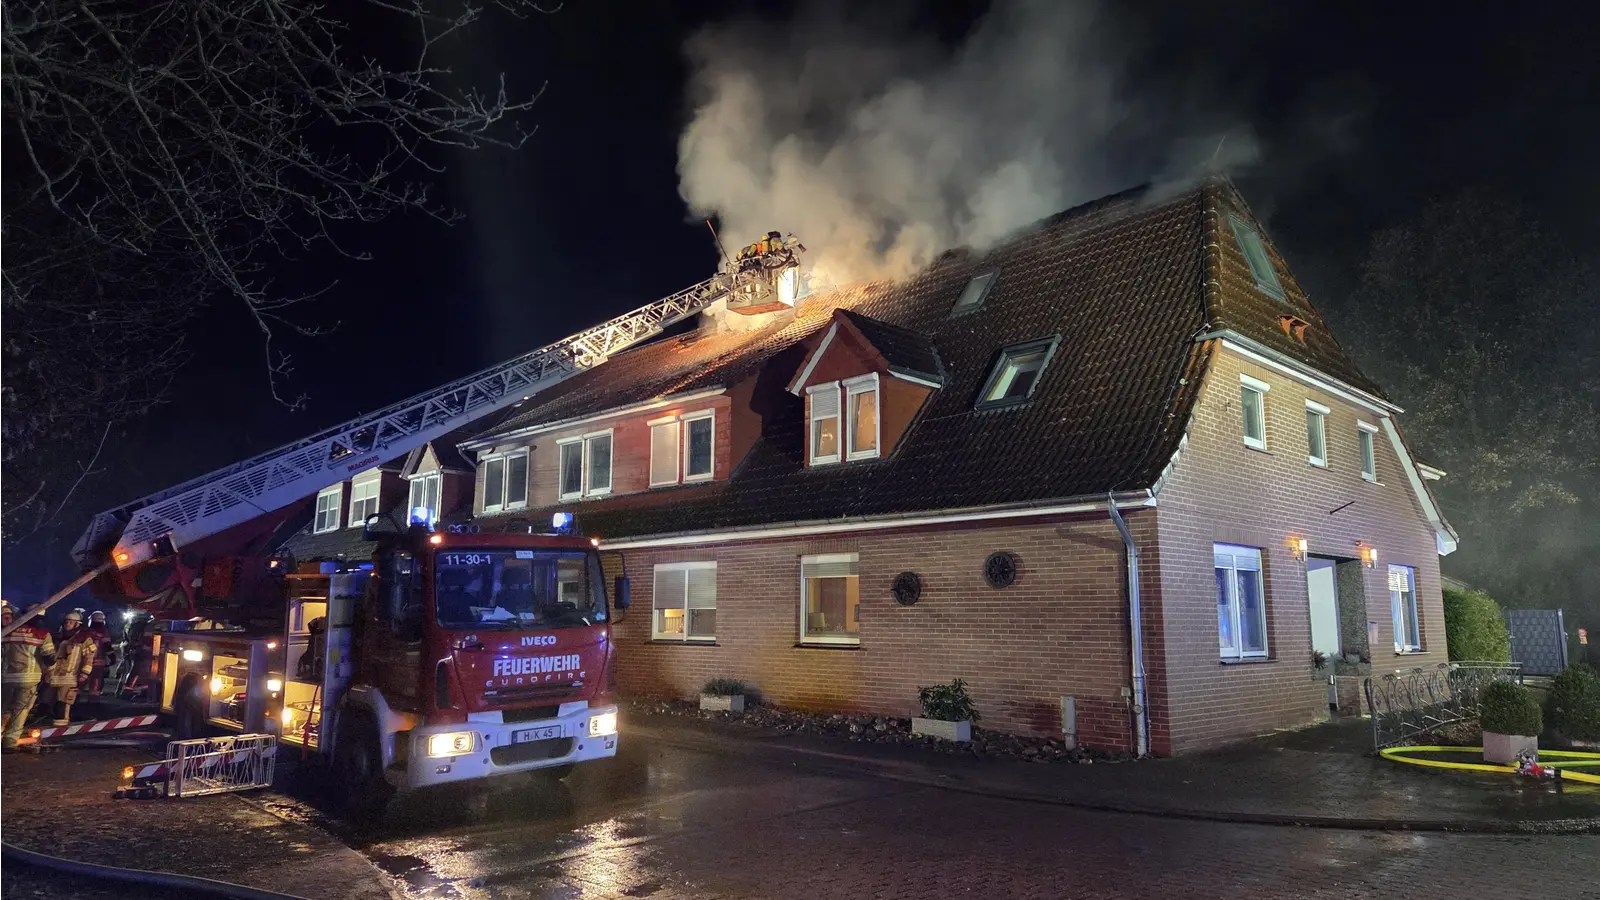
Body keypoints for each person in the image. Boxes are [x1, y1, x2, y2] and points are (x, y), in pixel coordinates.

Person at [2, 600, 55, 751]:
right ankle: (9, 741)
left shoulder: (9, 631)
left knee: (3, 708)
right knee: (21, 709)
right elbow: (50, 658)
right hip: (28, 679)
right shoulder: (42, 634)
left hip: (6, 678)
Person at [42, 609, 94, 727]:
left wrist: (84, 673)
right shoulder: (56, 637)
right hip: (52, 677)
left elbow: (89, 658)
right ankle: (46, 728)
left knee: (62, 704)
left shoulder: (84, 639)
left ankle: (60, 729)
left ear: (77, 624)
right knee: (45, 704)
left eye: (70, 622)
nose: (67, 624)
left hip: (70, 677)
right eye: (66, 622)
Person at [84, 610, 112, 696]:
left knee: (82, 678)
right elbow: (107, 646)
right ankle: (94, 700)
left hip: (84, 660)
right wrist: (112, 657)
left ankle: (75, 699)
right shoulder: (104, 632)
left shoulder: (85, 631)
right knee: (96, 680)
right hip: (99, 661)